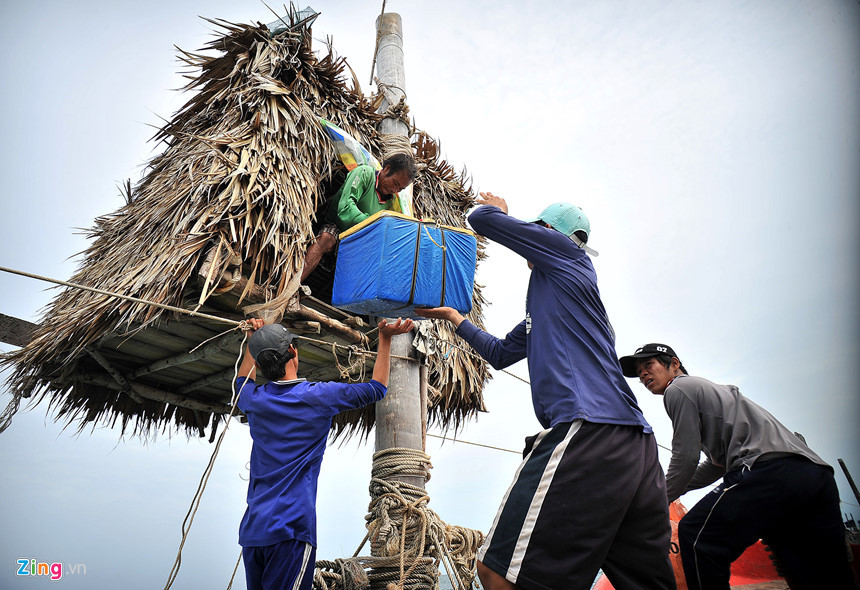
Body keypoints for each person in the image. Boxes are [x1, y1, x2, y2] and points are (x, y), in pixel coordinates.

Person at [416, 193, 676, 590]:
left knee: (498, 572)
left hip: (589, 430)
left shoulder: (568, 254)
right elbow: (500, 354)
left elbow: (482, 218)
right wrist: (456, 319)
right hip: (636, 447)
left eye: (538, 231)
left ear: (550, 232)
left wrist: (500, 210)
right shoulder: (557, 296)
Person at [619, 343, 856, 590]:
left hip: (768, 471)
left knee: (697, 536)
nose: (643, 374)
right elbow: (716, 466)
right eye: (639, 372)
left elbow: (686, 457)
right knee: (819, 571)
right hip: (814, 474)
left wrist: (657, 498)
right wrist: (672, 489)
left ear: (674, 364)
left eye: (648, 365)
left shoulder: (677, 389)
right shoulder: (712, 394)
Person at [234, 316, 414, 590]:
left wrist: (252, 341)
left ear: (259, 365)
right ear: (293, 351)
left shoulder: (253, 400)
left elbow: (242, 381)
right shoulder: (318, 396)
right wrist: (385, 338)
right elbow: (377, 388)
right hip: (291, 529)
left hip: (253, 532)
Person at [301, 152, 418, 281]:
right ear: (387, 169)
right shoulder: (364, 173)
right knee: (326, 238)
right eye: (395, 183)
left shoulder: (391, 204)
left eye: (400, 189)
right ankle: (293, 285)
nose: (395, 190)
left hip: (359, 245)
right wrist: (372, 223)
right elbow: (345, 207)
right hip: (338, 229)